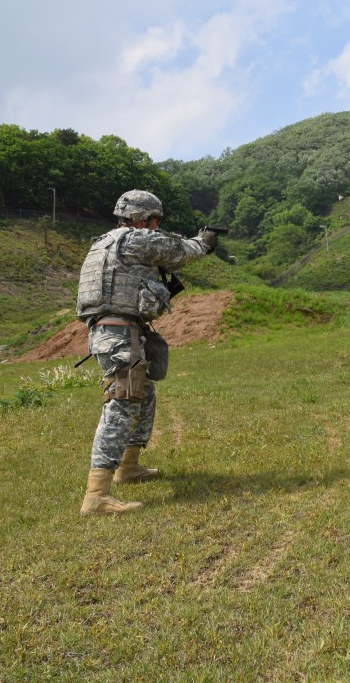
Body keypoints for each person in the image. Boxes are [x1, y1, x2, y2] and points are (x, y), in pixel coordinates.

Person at [77, 189, 217, 516]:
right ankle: (96, 496)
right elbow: (179, 251)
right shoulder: (135, 239)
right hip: (118, 332)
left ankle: (128, 467)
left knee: (144, 392)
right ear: (143, 218)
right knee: (122, 402)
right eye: (154, 219)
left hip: (114, 330)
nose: (155, 225)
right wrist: (205, 241)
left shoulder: (103, 242)